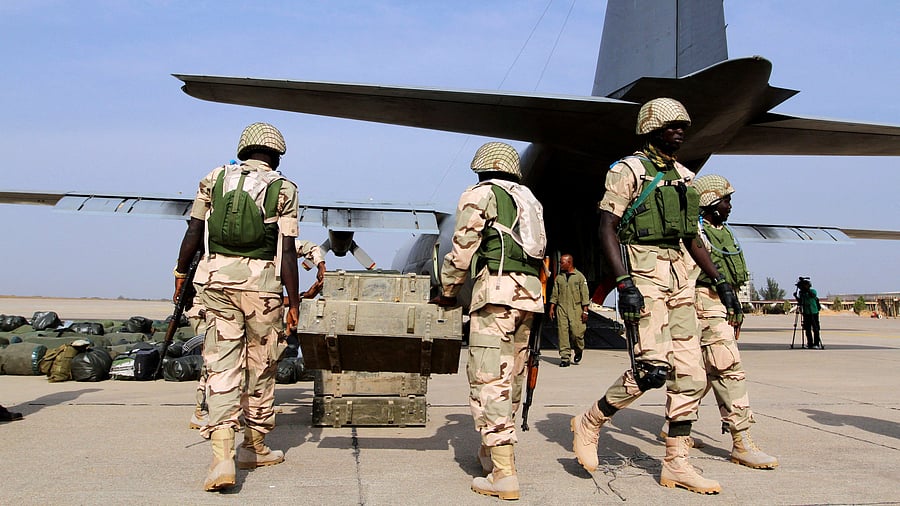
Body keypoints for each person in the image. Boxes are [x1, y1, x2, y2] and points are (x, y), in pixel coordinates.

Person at [570, 98, 742, 495]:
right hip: (644, 275)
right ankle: (592, 420)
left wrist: (722, 284)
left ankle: (677, 463)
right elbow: (607, 228)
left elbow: (693, 238)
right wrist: (624, 284)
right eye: (671, 125)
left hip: (681, 279)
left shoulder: (685, 176)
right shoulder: (626, 170)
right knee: (651, 370)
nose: (680, 131)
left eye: (683, 125)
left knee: (692, 376)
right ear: (650, 129)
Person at [174, 122, 301, 492]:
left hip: (215, 282)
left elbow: (194, 231)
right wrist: (293, 303)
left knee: (221, 366)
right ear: (276, 155)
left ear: (243, 149)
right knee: (261, 365)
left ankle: (221, 455)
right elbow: (288, 251)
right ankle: (254, 446)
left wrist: (181, 272)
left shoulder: (214, 178)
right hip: (262, 287)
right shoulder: (284, 188)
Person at [430, 141, 545, 501]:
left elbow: (462, 247)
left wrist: (448, 290)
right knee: (511, 377)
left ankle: (504, 474)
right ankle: (489, 453)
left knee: (488, 379)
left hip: (495, 293)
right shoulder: (530, 200)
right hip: (529, 296)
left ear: (481, 170)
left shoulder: (480, 194)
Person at [677, 174, 778, 469]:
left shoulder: (725, 232)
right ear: (709, 202)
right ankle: (741, 440)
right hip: (703, 302)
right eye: (725, 199)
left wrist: (735, 308)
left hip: (723, 303)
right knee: (727, 367)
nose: (730, 205)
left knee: (705, 372)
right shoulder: (696, 232)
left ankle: (678, 424)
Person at [549, 253, 590, 367]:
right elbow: (555, 294)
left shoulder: (579, 277)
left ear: (569, 263)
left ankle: (578, 349)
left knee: (577, 333)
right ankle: (565, 357)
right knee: (563, 333)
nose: (560, 264)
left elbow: (585, 294)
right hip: (561, 308)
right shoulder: (559, 278)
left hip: (576, 308)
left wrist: (585, 310)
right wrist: (552, 308)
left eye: (562, 262)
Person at [795, 277, 822, 349]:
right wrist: (796, 297)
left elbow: (812, 295)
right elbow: (800, 302)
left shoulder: (813, 291)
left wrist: (807, 289)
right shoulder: (802, 293)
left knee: (815, 328)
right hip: (806, 313)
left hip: (813, 312)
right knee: (807, 329)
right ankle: (810, 343)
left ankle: (816, 343)